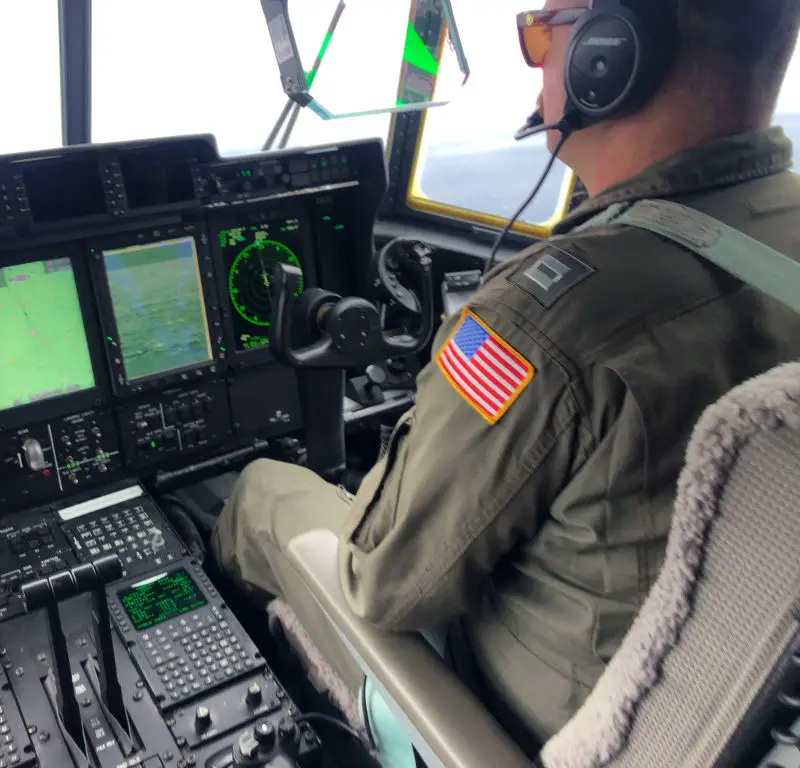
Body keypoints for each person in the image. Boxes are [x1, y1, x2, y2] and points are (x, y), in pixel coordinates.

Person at [212, 0, 800, 745]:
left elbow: (382, 581)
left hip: (528, 726)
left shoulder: (547, 318)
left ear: (609, 55)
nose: (537, 58)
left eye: (540, 32)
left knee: (262, 490)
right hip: (727, 709)